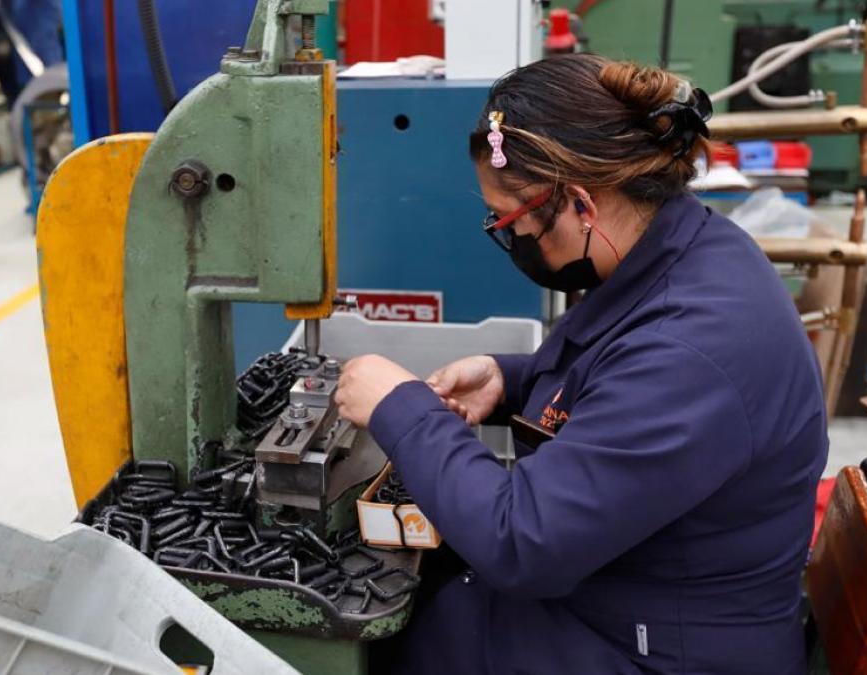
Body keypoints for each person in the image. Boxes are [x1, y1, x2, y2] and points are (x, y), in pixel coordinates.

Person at [334, 54, 827, 674]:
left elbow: (522, 543)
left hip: (651, 653)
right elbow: (618, 385)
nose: (504, 235)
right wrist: (510, 380)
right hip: (624, 604)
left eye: (508, 220)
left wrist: (399, 408)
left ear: (581, 205)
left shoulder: (695, 348)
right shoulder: (686, 251)